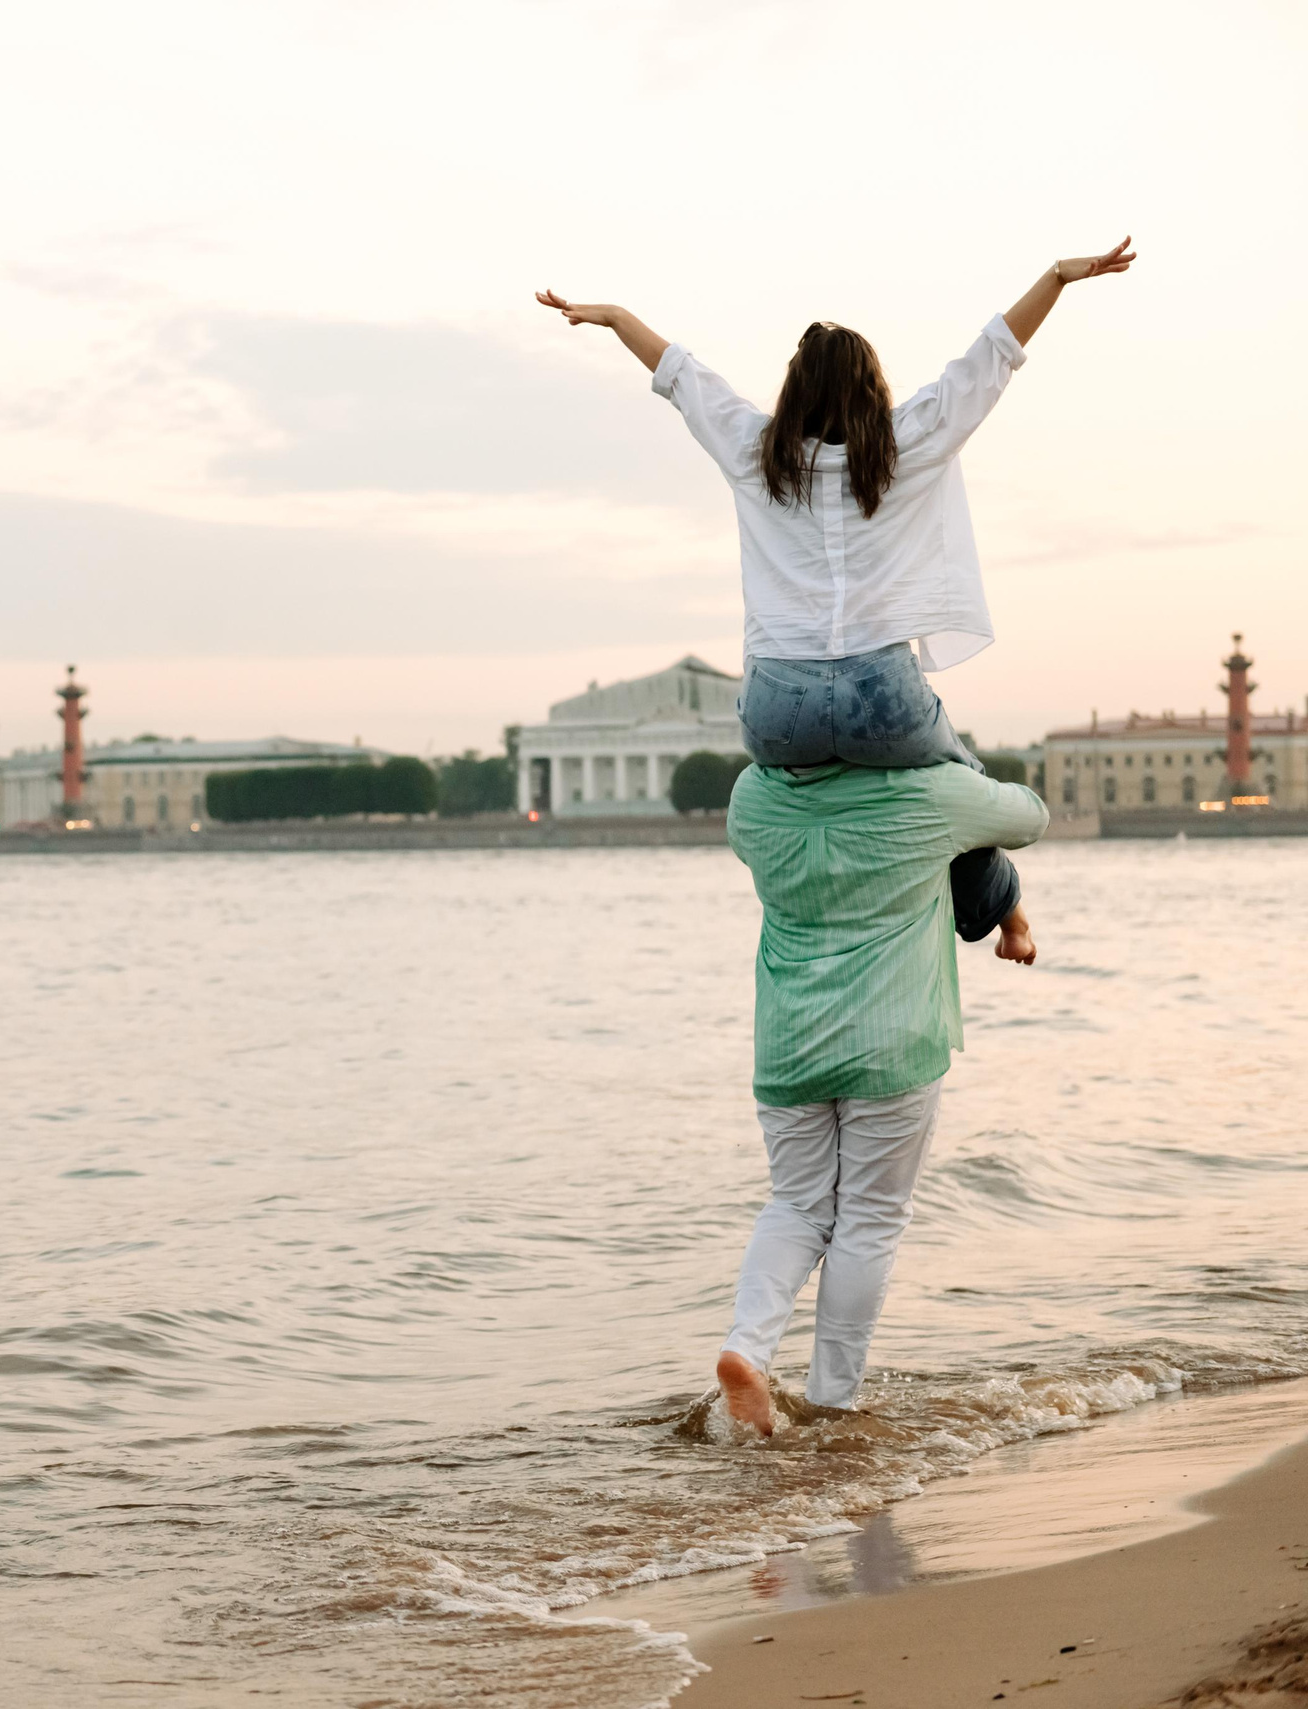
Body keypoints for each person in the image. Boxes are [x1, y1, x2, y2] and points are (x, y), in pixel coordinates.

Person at [533, 239, 1135, 957]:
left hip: (776, 706)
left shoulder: (755, 452)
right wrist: (1057, 278)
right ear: (870, 389)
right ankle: (1007, 920)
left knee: (822, 781)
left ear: (793, 391)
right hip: (880, 694)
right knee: (959, 783)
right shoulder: (903, 445)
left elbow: (683, 378)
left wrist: (616, 318)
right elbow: (988, 360)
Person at [706, 757, 1047, 1433]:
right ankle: (832, 1403)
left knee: (797, 1203)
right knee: (869, 1216)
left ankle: (747, 1349)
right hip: (893, 1039)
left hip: (789, 1037)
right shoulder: (930, 788)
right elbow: (1029, 814)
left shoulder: (754, 794)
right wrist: (953, 755)